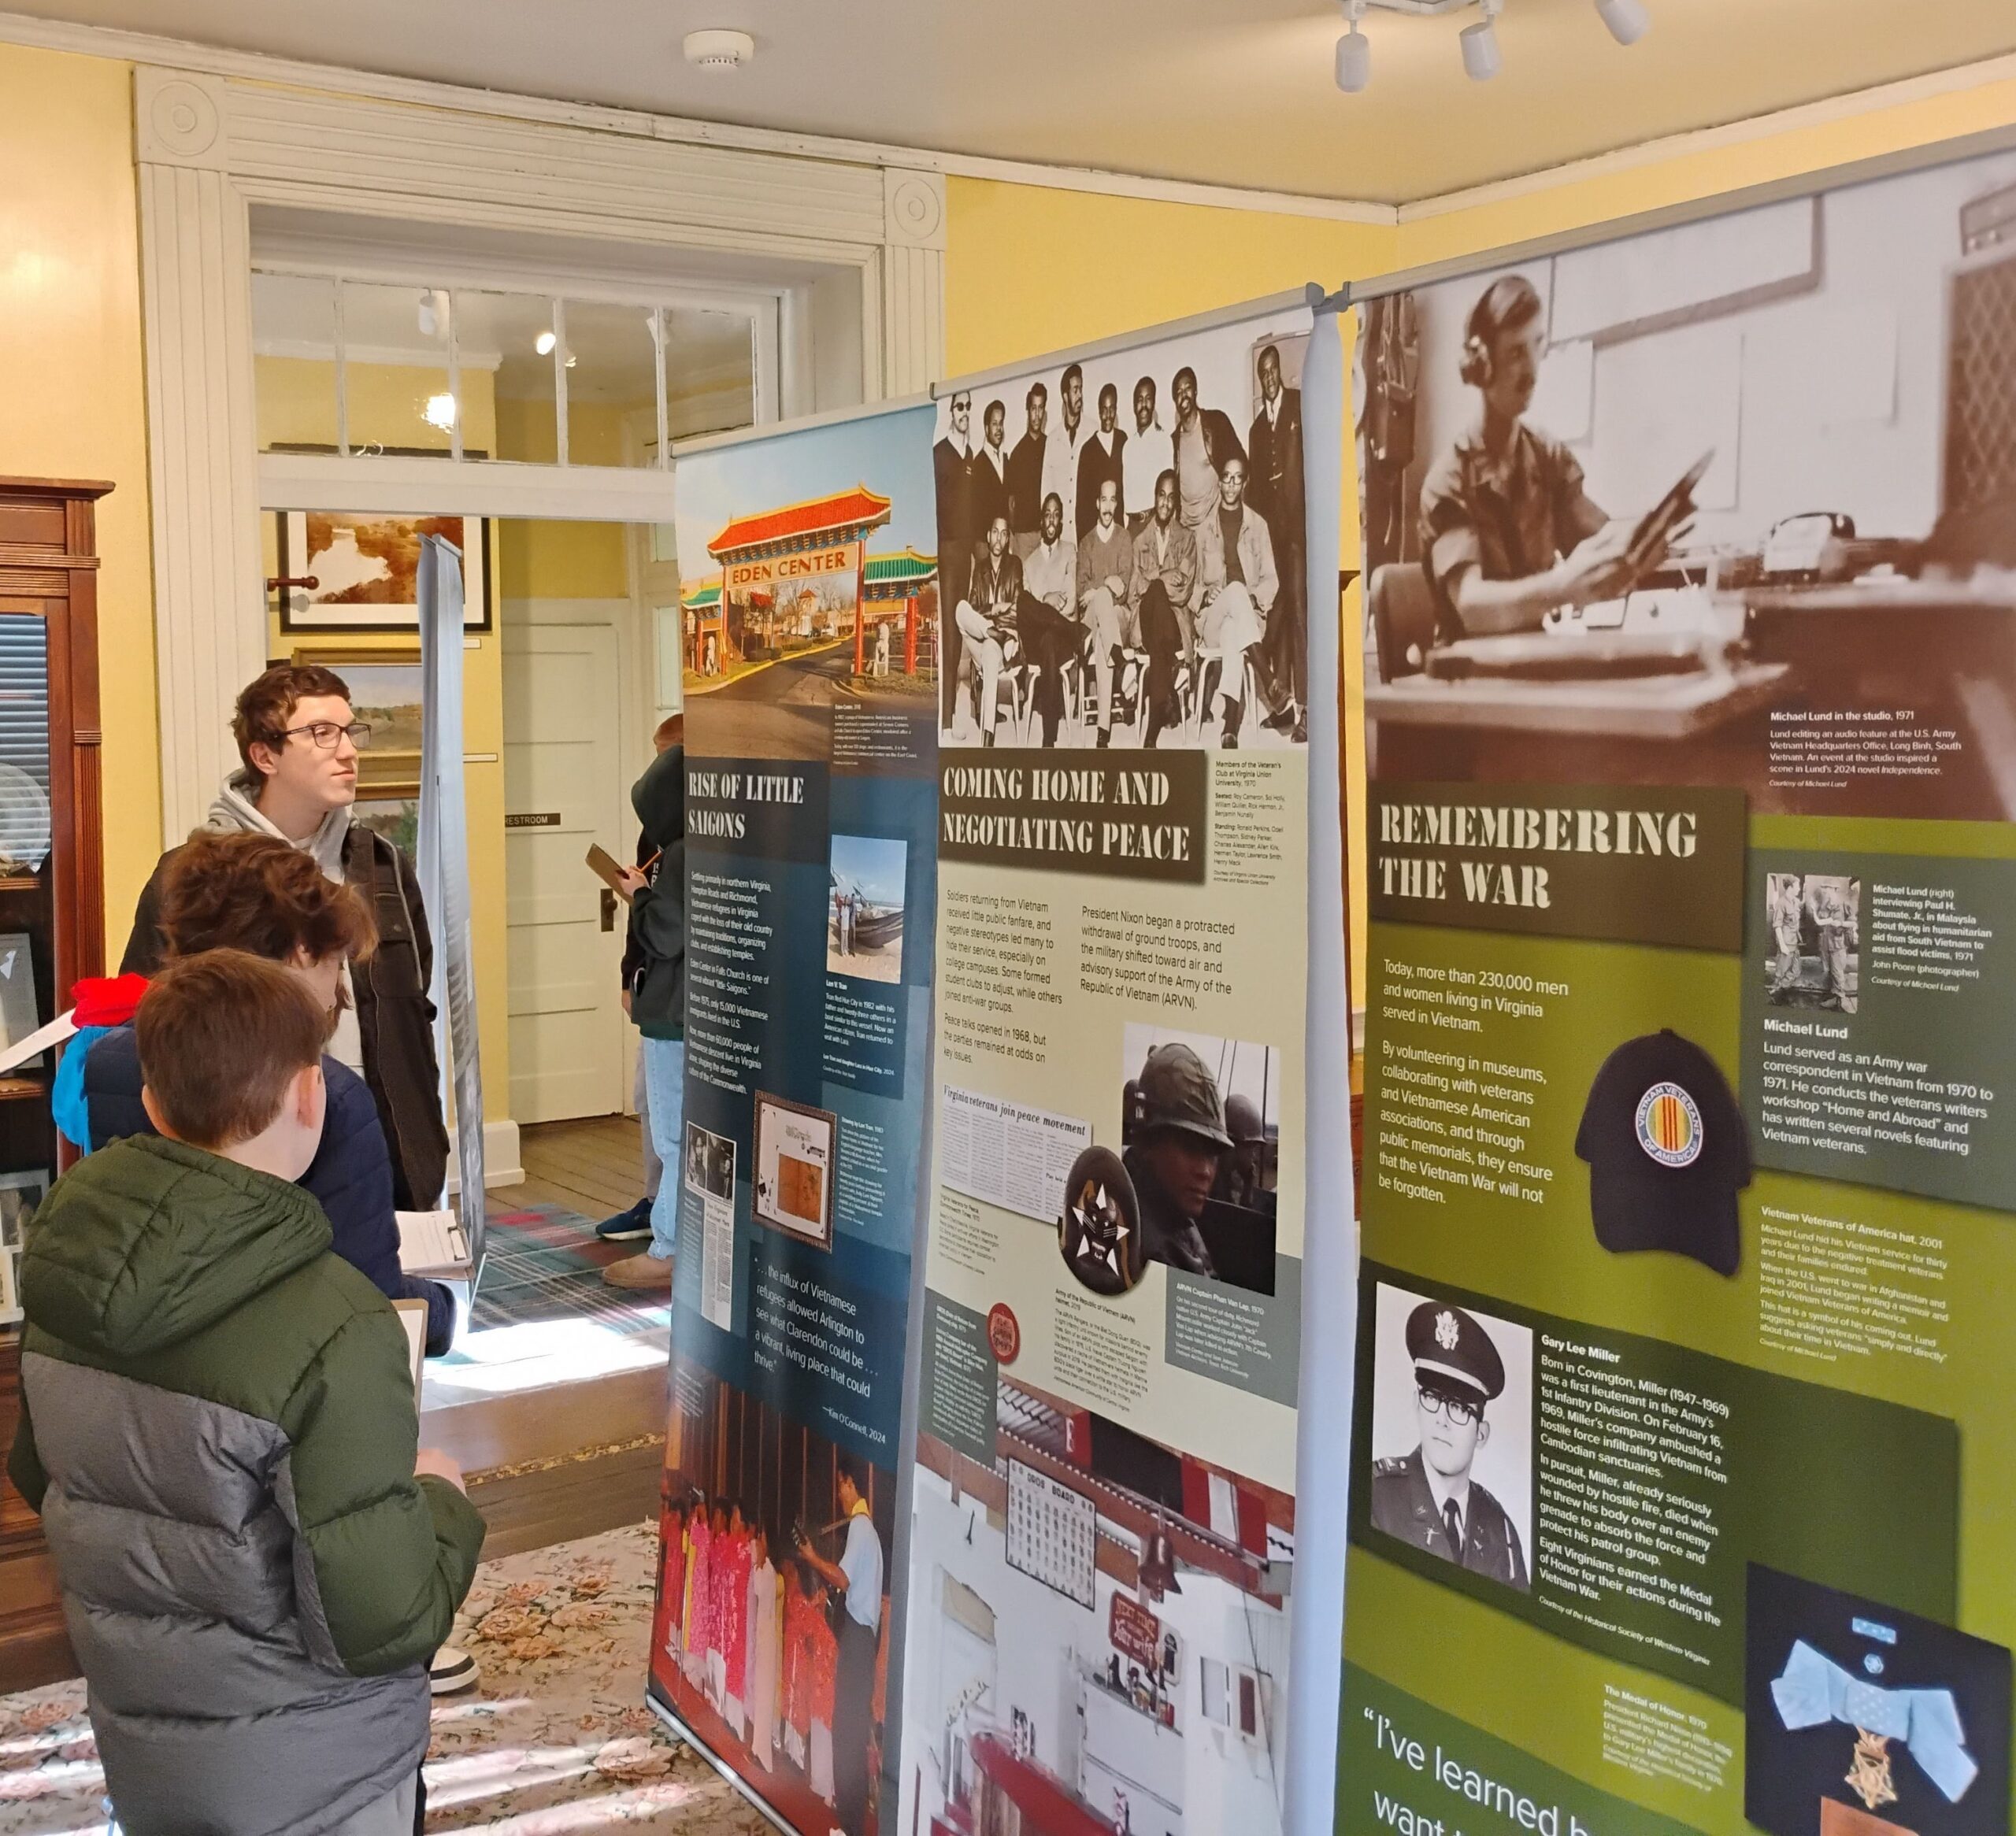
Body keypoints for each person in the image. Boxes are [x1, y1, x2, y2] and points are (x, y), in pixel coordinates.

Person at [9, 951, 486, 1831]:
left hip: (147, 1739)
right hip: (321, 1769)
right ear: (312, 1097)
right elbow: (380, 1620)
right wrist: (444, 1502)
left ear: (151, 1101)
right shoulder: (337, 1322)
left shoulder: (62, 1275)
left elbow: (45, 1478)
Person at [76, 831, 457, 1355]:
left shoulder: (112, 1062)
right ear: (302, 953)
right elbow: (368, 1310)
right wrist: (442, 1308)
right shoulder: (327, 1098)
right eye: (337, 961)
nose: (335, 986)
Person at [122, 663, 450, 1212]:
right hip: (251, 1157)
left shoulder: (382, 865)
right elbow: (145, 1022)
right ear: (265, 755)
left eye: (351, 731)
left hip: (383, 1150)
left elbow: (414, 1011)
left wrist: (425, 1143)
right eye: (322, 733)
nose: (347, 751)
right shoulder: (194, 876)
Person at [1420, 272, 1666, 642]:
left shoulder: (1546, 456)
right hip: (1466, 672)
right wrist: (1563, 586)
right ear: (1482, 363)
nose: (1532, 371)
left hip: (1533, 655)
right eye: (1516, 353)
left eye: (1537, 346)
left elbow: (1596, 533)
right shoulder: (1449, 480)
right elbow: (1471, 606)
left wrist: (1643, 540)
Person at [605, 716, 686, 1290]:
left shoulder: (679, 854)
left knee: (672, 1132)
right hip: (703, 1010)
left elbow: (665, 934)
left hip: (672, 1011)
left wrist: (639, 896)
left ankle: (670, 1246)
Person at [1370, 1300, 1527, 1587]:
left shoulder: (1499, 1529)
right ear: (1417, 1404)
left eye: (1458, 1407)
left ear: (1481, 1434)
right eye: (1431, 1397)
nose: (1441, 1419)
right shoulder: (1377, 1496)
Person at [798, 1457, 884, 1836]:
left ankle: (850, 1825)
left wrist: (813, 1558)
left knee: (847, 1729)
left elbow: (844, 1580)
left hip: (859, 1636)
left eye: (839, 1486)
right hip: (862, 1637)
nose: (838, 1495)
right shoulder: (868, 1532)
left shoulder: (861, 1529)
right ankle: (851, 1821)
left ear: (850, 1484)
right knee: (849, 1726)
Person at [1193, 453, 1278, 748]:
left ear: (1244, 482)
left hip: (1246, 620)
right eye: (1226, 477)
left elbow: (1271, 579)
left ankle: (1230, 726)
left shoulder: (1258, 526)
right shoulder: (1203, 530)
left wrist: (1252, 596)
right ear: (1219, 482)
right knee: (1234, 594)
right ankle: (1267, 677)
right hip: (1211, 620)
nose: (1230, 484)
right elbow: (1191, 587)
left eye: (1237, 477)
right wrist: (1204, 595)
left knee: (1235, 621)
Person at [1124, 1043, 1229, 1278]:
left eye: (1212, 1154)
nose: (1205, 1171)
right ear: (1149, 1142)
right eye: (1190, 1148)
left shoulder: (1174, 1213)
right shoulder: (1145, 1246)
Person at [1247, 343, 1308, 738]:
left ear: (1280, 371)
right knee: (1278, 620)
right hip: (1272, 538)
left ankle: (1308, 712)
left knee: (1301, 617)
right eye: (1263, 374)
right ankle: (1284, 708)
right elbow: (1253, 493)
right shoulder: (1255, 429)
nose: (1269, 379)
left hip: (1298, 535)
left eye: (1273, 371)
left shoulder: (1300, 407)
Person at [1129, 469, 1196, 749]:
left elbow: (1183, 591)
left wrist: (1153, 580)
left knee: (1156, 591)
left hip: (1174, 623)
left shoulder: (1187, 539)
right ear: (1154, 498)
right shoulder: (1140, 541)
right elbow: (1135, 589)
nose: (1165, 503)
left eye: (1171, 498)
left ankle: (1154, 723)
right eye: (1161, 496)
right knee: (1155, 592)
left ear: (1176, 504)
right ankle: (1168, 690)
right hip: (1144, 622)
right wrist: (1164, 576)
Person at [1077, 476, 1136, 749]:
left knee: (1104, 645)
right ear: (1096, 503)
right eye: (1104, 499)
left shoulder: (1124, 538)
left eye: (1113, 499)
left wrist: (1100, 589)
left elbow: (1123, 588)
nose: (1108, 506)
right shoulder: (1086, 543)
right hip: (1091, 618)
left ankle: (1104, 731)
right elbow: (1081, 591)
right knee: (1101, 595)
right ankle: (1121, 663)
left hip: (1117, 618)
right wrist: (1106, 585)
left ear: (1117, 503)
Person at [956, 516, 1023, 746]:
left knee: (993, 653)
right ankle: (995, 635)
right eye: (995, 532)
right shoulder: (980, 569)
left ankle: (988, 736)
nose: (999, 538)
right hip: (984, 638)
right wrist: (994, 610)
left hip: (1004, 645)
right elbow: (972, 610)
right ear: (988, 536)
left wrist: (995, 620)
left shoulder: (1015, 566)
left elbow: (1017, 610)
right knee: (960, 609)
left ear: (1007, 539)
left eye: (1004, 533)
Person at [935, 391, 979, 727]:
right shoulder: (940, 454)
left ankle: (960, 710)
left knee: (964, 628)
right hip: (948, 551)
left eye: (968, 407)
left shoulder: (970, 457)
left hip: (967, 553)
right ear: (951, 412)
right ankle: (946, 719)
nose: (965, 412)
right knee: (949, 631)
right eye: (959, 407)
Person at [1171, 365, 1244, 534]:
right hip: (1186, 531)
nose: (1184, 395)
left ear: (1195, 392)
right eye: (1179, 392)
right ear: (1175, 401)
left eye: (1188, 388)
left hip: (1214, 528)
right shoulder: (1174, 441)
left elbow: (1240, 462)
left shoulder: (1216, 422)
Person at [746, 1520, 781, 1770]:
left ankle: (764, 1757)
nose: (760, 1542)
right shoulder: (764, 1567)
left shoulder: (770, 1571)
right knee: (761, 1693)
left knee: (765, 1695)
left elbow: (760, 1591)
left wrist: (759, 1562)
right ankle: (758, 1749)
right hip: (763, 1635)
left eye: (763, 1539)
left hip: (769, 1638)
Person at [1077, 380, 1128, 541]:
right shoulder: (1087, 449)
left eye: (1112, 409)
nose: (1108, 415)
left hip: (1118, 531)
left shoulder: (1123, 440)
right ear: (1099, 412)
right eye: (1104, 410)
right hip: (1096, 535)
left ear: (1116, 410)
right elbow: (1082, 503)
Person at [1006, 383, 1050, 562]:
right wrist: (1014, 535)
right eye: (1033, 409)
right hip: (1023, 538)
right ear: (1028, 410)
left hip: (1046, 535)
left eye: (1041, 409)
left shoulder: (1051, 447)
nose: (1037, 415)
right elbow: (1010, 502)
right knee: (1022, 587)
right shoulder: (1017, 453)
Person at [1123, 376, 1169, 533]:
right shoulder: (1128, 446)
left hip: (1154, 525)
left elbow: (1169, 492)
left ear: (1154, 403)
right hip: (1132, 528)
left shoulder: (1164, 440)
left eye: (1148, 399)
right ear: (1134, 406)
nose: (1144, 405)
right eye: (1139, 400)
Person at [1045, 363, 1085, 536]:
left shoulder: (1093, 431)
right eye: (1075, 390)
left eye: (1081, 389)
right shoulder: (1052, 439)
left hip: (1086, 530)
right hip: (1062, 534)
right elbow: (1046, 492)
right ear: (1065, 396)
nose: (1080, 395)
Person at [1767, 874, 1805, 998]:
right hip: (1786, 943)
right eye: (1797, 886)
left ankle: (1779, 989)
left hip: (1794, 942)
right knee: (1781, 972)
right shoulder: (1781, 903)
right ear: (1790, 887)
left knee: (1796, 971)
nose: (1799, 888)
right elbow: (1777, 925)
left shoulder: (1795, 902)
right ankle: (1772, 996)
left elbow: (1796, 917)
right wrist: (1782, 945)